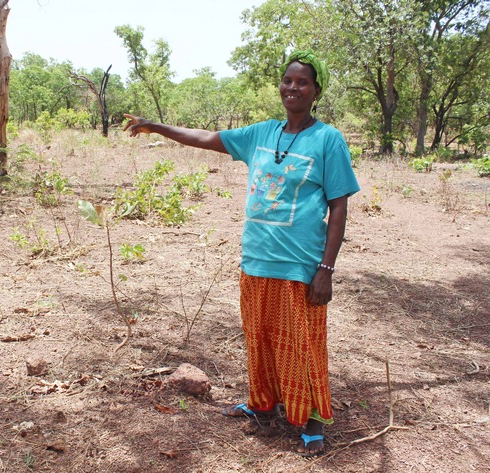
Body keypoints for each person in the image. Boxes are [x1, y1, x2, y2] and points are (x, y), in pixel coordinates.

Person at [123, 50, 360, 457]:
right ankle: (262, 405)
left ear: (316, 91)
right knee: (261, 339)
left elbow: (338, 206)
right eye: (288, 80)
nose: (293, 87)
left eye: (302, 82)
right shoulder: (261, 134)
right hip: (256, 259)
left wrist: (326, 268)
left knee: (303, 343)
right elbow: (205, 138)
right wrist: (157, 127)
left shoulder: (328, 140)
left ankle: (312, 419)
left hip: (300, 264)